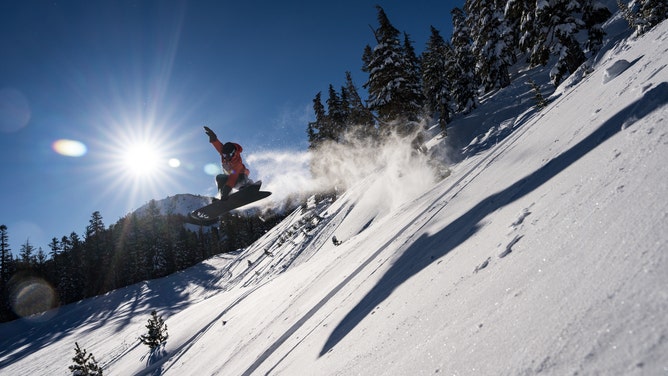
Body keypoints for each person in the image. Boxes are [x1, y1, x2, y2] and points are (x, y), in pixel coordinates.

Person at [203, 126, 252, 201]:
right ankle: (222, 196)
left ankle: (247, 186)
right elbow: (218, 145)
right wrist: (213, 137)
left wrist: (226, 191)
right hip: (230, 180)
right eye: (224, 155)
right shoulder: (224, 154)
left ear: (233, 153)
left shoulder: (237, 163)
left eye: (228, 155)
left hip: (240, 178)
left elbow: (233, 178)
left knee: (241, 177)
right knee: (219, 177)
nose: (226, 157)